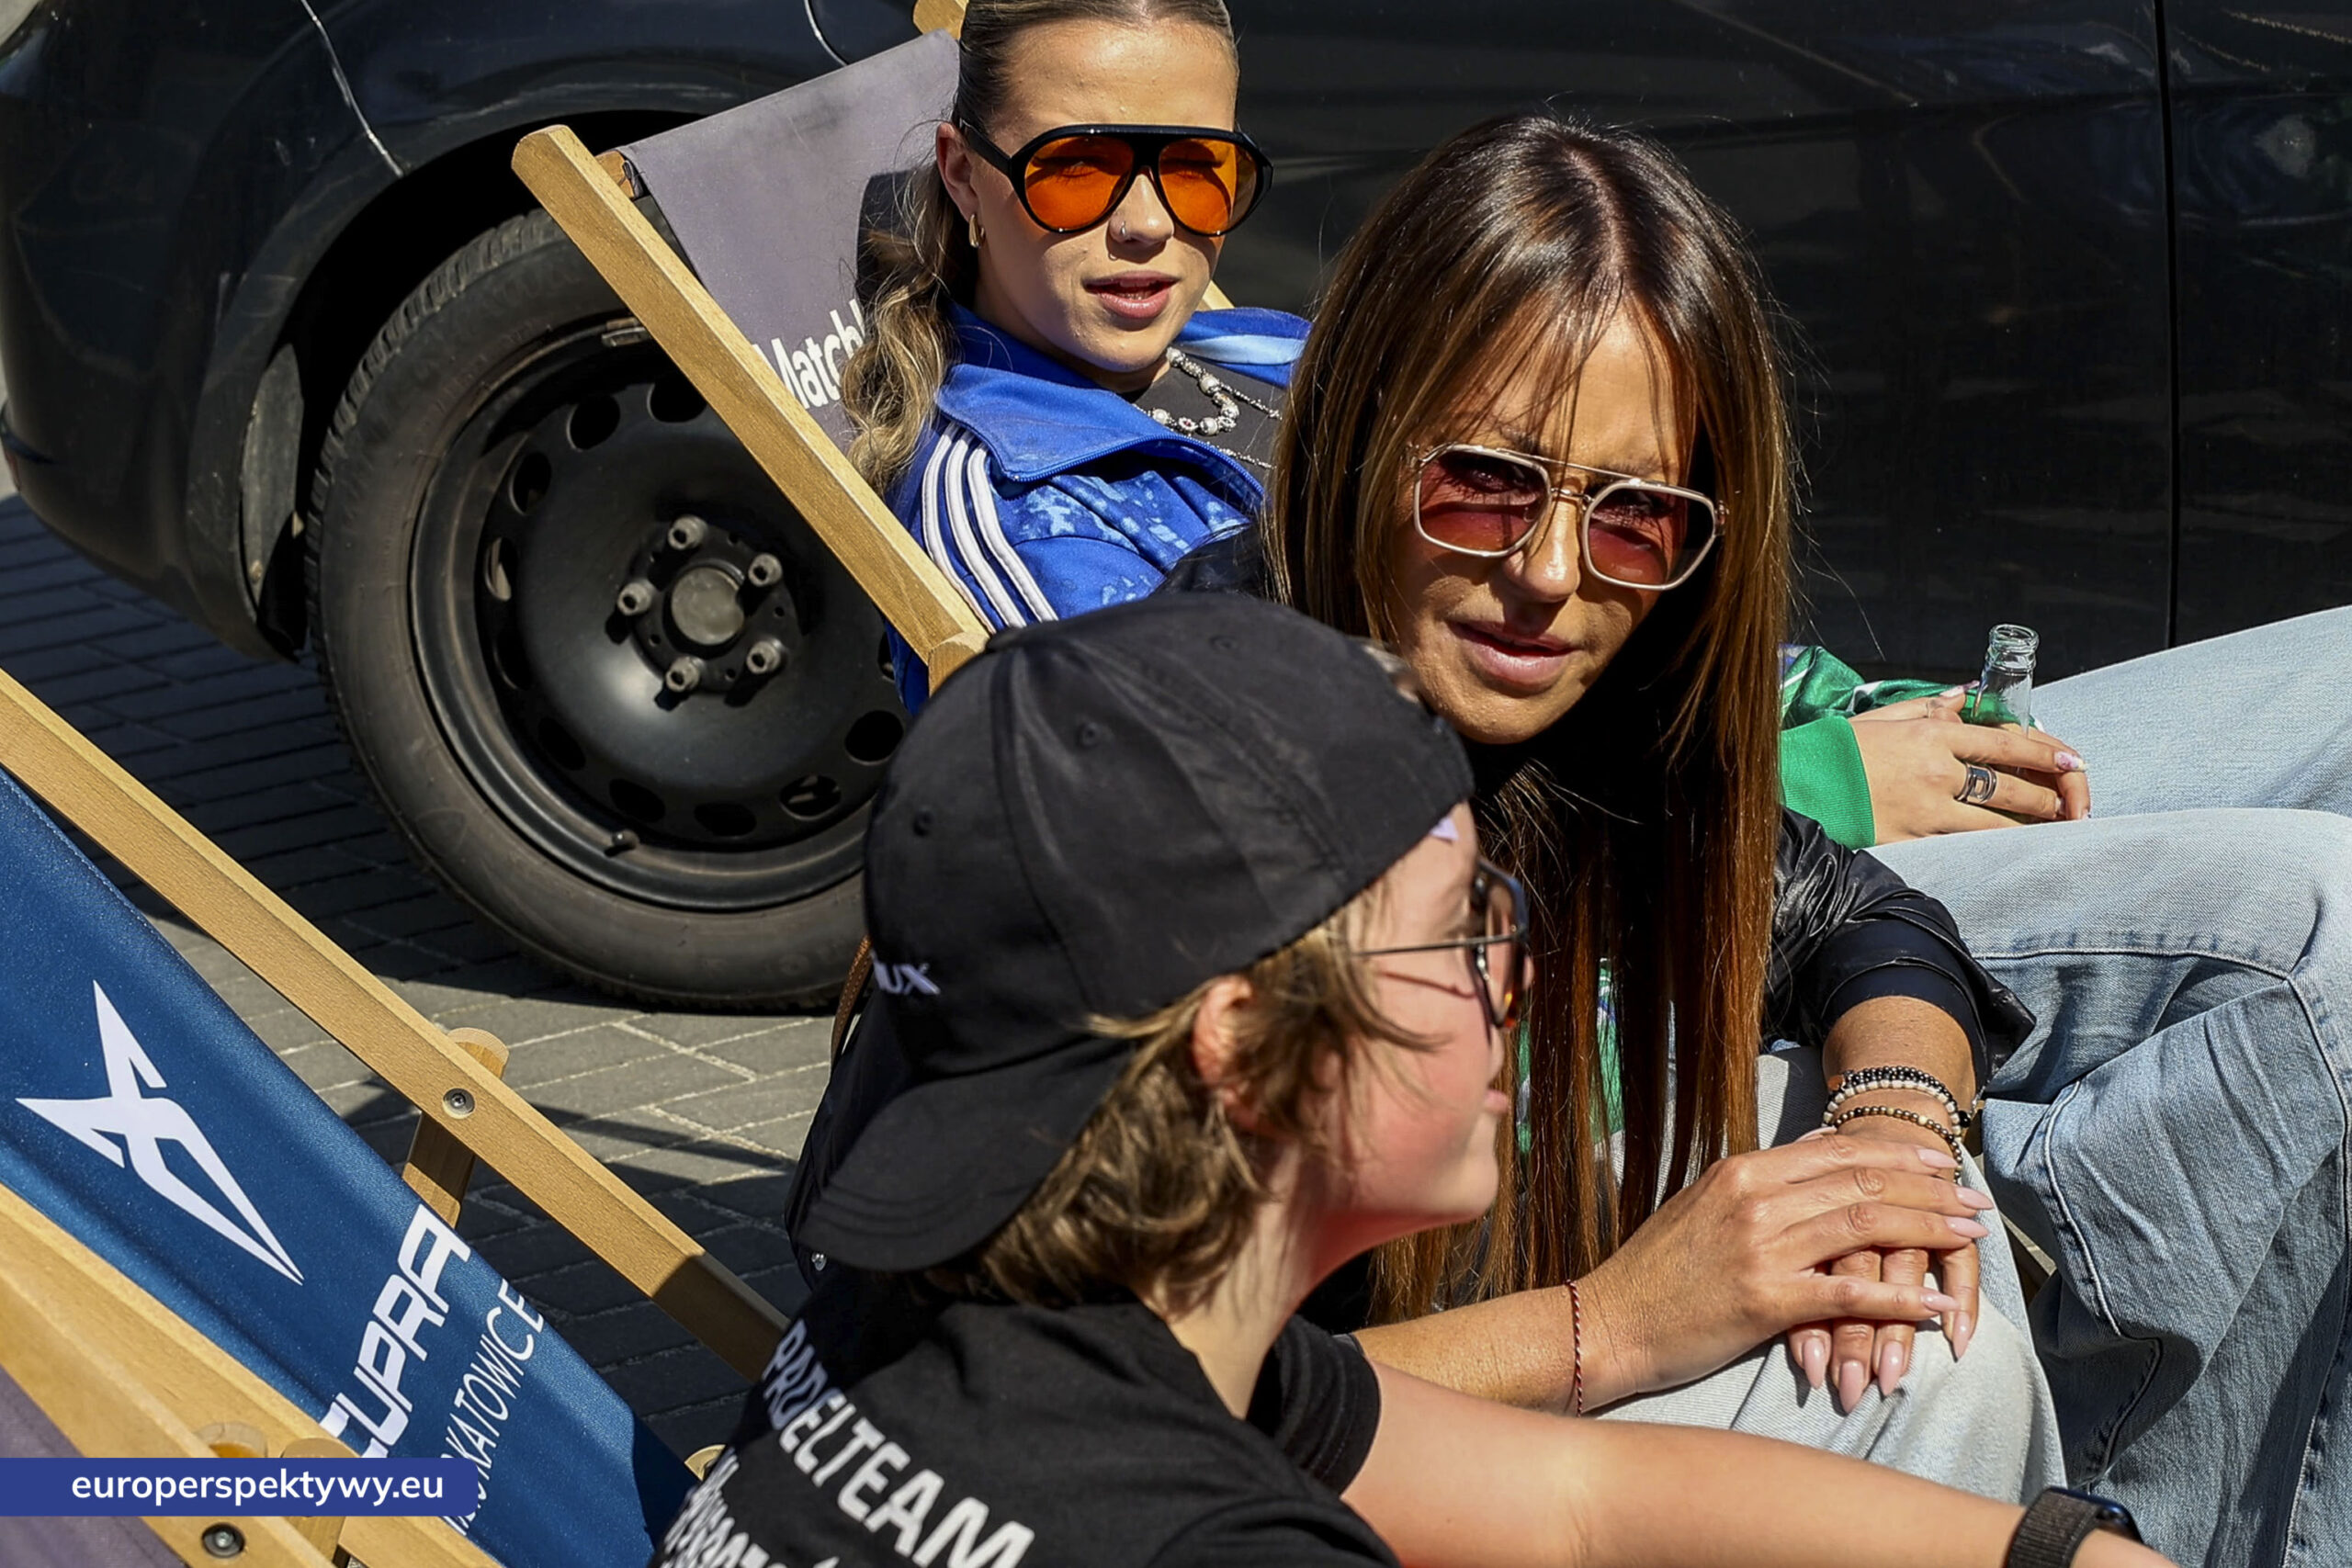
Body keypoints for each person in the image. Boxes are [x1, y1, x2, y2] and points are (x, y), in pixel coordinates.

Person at [1239, 112, 2352, 1568]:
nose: (1552, 575)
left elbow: (1858, 914)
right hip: (1346, 1480)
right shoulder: (1180, 802)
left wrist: (1895, 1112)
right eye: (1487, 481)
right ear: (1357, 428)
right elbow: (1093, 1409)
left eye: (1639, 516)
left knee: (1895, 1237)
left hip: (1532, 1408)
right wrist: (1615, 1320)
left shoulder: (1602, 719)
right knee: (1926, 1352)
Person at [656, 592, 2167, 1568]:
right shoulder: (1205, 1533)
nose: (1524, 978)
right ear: (1247, 1048)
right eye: (1469, 931)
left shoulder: (1004, 1325)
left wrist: (2060, 1554)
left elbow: (1583, 1507)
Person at [840, 0, 1303, 711]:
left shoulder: (1262, 347)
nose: (1149, 224)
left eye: (1194, 167)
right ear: (963, 173)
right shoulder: (1017, 515)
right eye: (1079, 168)